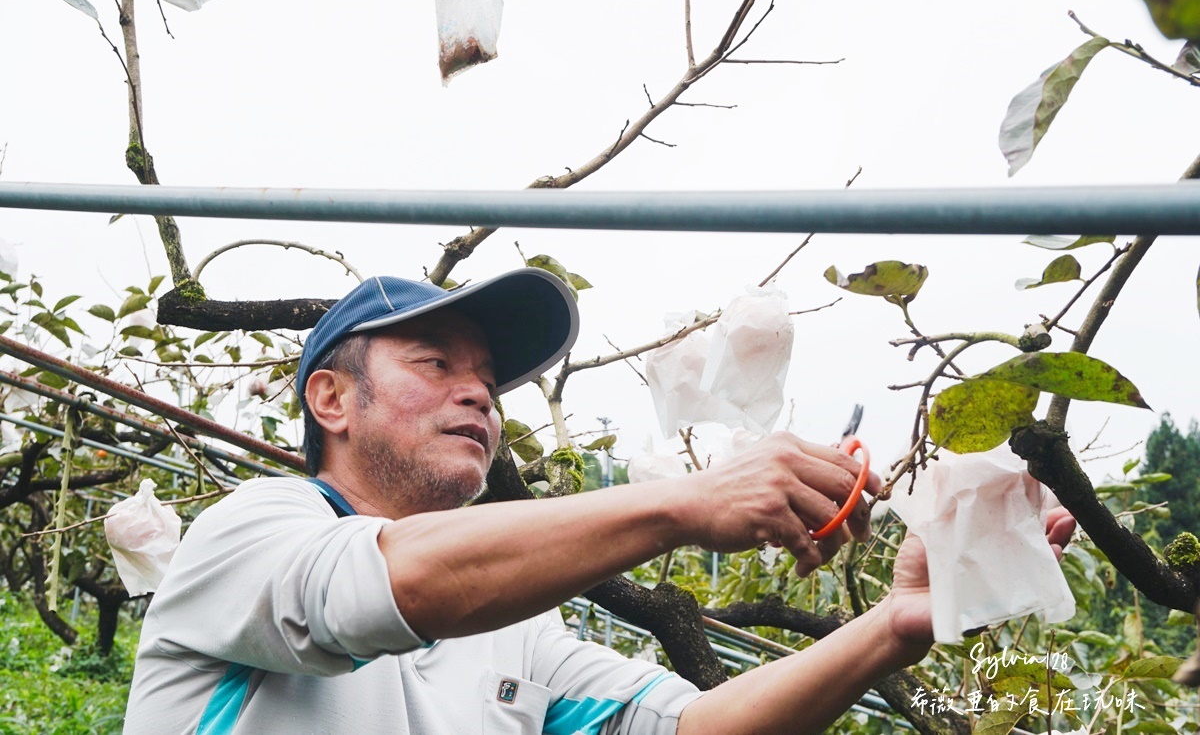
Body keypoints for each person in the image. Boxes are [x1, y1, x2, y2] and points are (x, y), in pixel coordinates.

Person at [124, 268, 1076, 734]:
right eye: (435, 362)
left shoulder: (514, 634)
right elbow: (373, 587)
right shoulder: (248, 531)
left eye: (488, 379)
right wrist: (687, 504)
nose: (477, 393)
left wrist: (902, 624)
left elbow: (690, 729)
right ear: (330, 399)